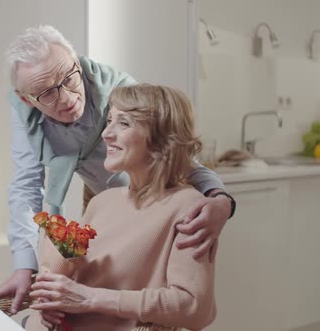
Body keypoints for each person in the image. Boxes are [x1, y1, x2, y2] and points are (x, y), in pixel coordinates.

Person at [0, 25, 236, 314]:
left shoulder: (182, 209)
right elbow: (26, 185)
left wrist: (221, 200)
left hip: (152, 199)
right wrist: (29, 271)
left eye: (69, 79)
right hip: (109, 202)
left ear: (77, 64)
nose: (67, 99)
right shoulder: (99, 204)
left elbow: (176, 154)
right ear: (26, 99)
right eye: (46, 94)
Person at [27, 84, 216, 330]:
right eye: (109, 120)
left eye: (124, 123)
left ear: (161, 140)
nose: (106, 134)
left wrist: (90, 298)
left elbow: (194, 308)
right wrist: (50, 300)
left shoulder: (187, 207)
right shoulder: (101, 201)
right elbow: (75, 277)